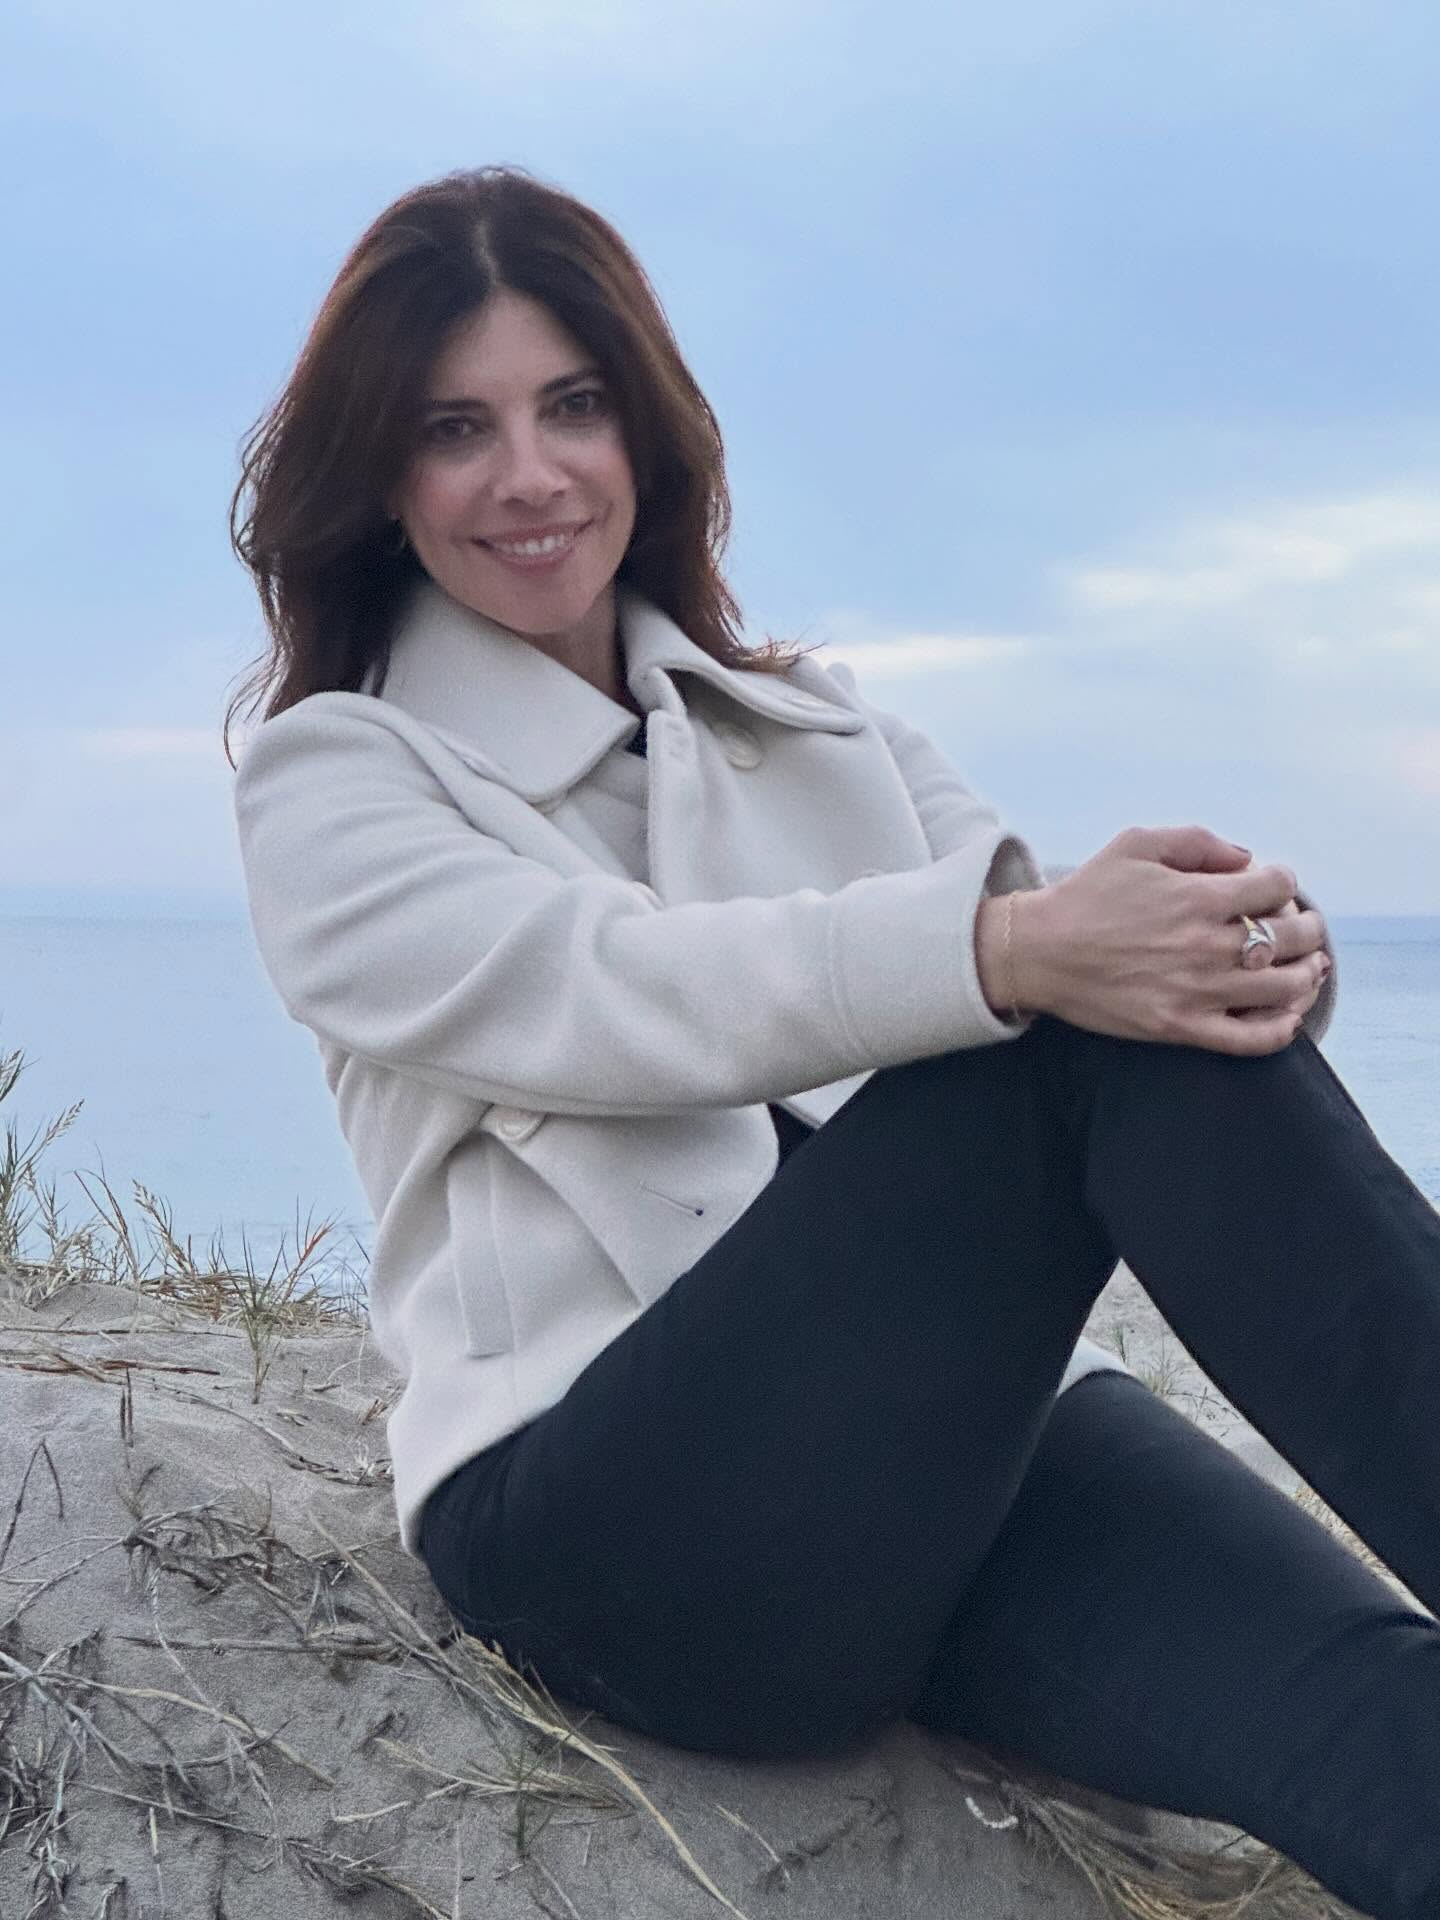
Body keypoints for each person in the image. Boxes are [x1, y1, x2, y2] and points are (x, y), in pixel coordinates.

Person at [227, 166, 1440, 1920]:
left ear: (644, 433)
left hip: (945, 1454)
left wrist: (1242, 958)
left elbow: (1088, 974)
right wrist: (1029, 952)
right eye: (454, 428)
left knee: (1380, 1710)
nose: (531, 474)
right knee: (1069, 1031)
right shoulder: (336, 782)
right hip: (616, 1524)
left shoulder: (815, 723)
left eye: (574, 406)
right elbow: (623, 989)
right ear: (380, 476)